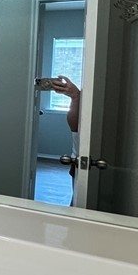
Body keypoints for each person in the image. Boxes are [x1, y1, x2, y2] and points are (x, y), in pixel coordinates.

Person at [50, 75, 81, 203]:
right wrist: (75, 97)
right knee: (77, 202)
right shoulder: (81, 98)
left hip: (83, 162)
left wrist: (76, 97)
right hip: (79, 162)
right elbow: (74, 127)